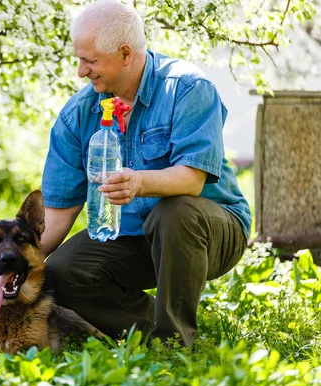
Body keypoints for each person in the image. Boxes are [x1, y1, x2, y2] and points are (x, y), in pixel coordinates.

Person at [41, 0, 251, 346]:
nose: (81, 71)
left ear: (126, 53)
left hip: (211, 231)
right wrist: (10, 264)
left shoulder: (187, 88)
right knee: (63, 270)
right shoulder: (77, 115)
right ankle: (150, 328)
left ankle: (175, 343)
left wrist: (139, 182)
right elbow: (57, 216)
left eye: (90, 60)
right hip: (132, 235)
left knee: (174, 211)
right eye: (79, 59)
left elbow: (192, 179)